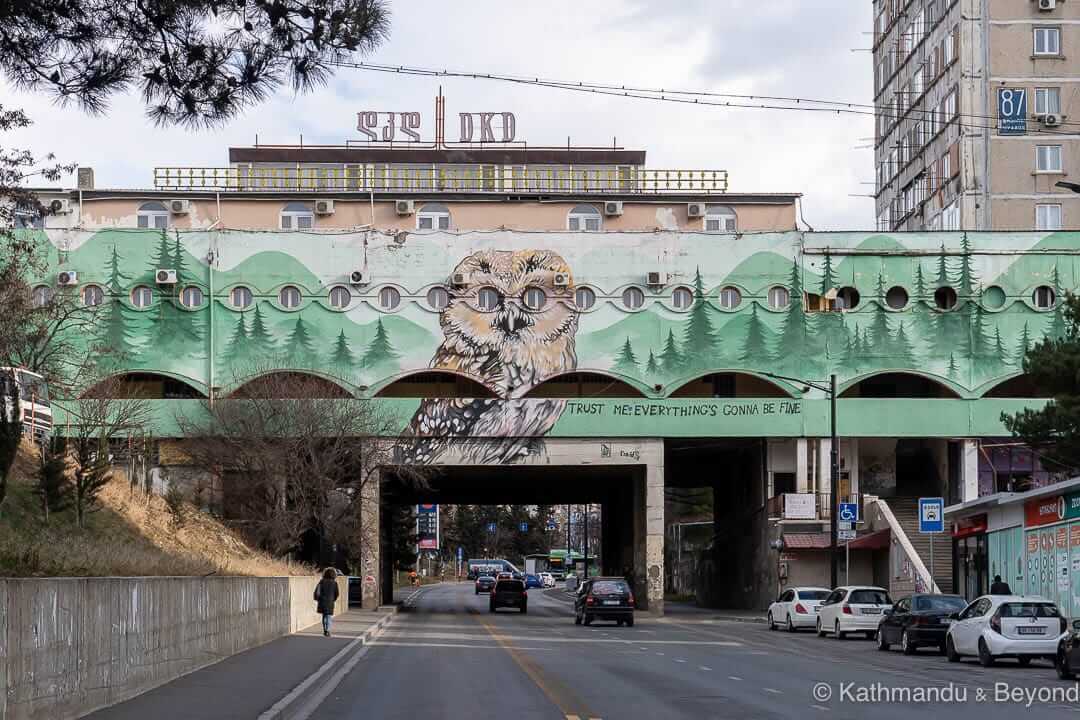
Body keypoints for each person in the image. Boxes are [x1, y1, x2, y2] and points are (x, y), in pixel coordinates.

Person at [314, 568, 340, 637]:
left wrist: (318, 598)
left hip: (322, 601)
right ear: (333, 574)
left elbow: (317, 591)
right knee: (329, 616)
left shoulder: (321, 582)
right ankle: (328, 630)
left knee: (324, 616)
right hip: (330, 602)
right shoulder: (334, 583)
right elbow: (337, 593)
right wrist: (333, 599)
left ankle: (325, 630)